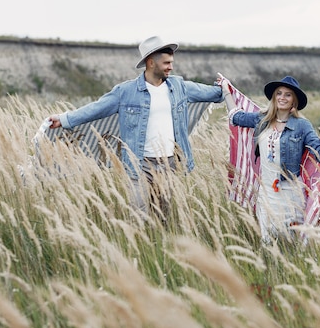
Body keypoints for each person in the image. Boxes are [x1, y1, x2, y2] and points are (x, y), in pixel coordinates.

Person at [47, 36, 224, 224]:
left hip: (169, 163)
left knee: (163, 218)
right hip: (139, 164)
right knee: (138, 218)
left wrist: (224, 88)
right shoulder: (126, 92)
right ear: (150, 63)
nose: (170, 67)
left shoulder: (179, 87)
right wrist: (65, 119)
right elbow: (96, 109)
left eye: (171, 63)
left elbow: (213, 94)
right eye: (166, 63)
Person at [217, 73, 320, 245]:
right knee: (268, 239)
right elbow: (236, 117)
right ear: (274, 96)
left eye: (287, 95)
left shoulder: (302, 125)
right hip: (266, 191)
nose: (282, 98)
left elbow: (317, 147)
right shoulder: (262, 120)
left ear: (294, 101)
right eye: (279, 93)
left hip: (290, 191)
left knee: (293, 239)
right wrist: (227, 91)